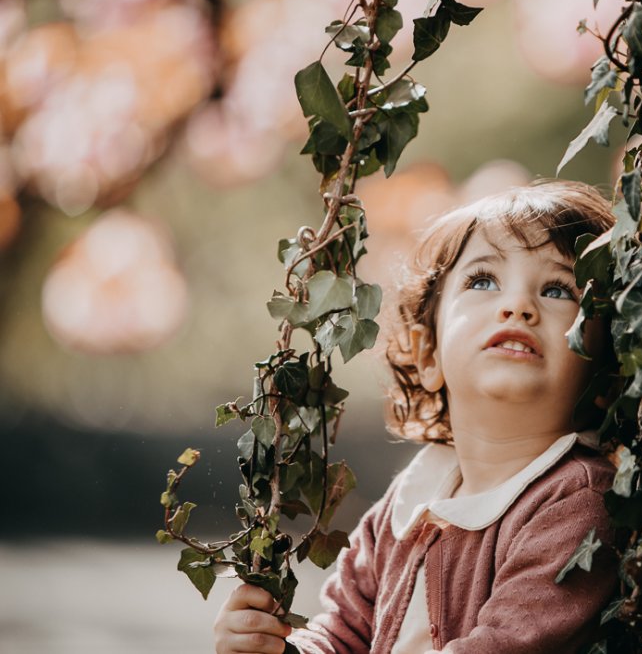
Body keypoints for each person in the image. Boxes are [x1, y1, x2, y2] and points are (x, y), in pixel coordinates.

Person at [214, 180, 618, 654]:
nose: (518, 306)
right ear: (427, 354)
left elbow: (506, 645)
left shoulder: (577, 504)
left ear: (607, 368)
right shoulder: (412, 500)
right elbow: (343, 633)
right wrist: (279, 650)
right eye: (483, 281)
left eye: (557, 289)